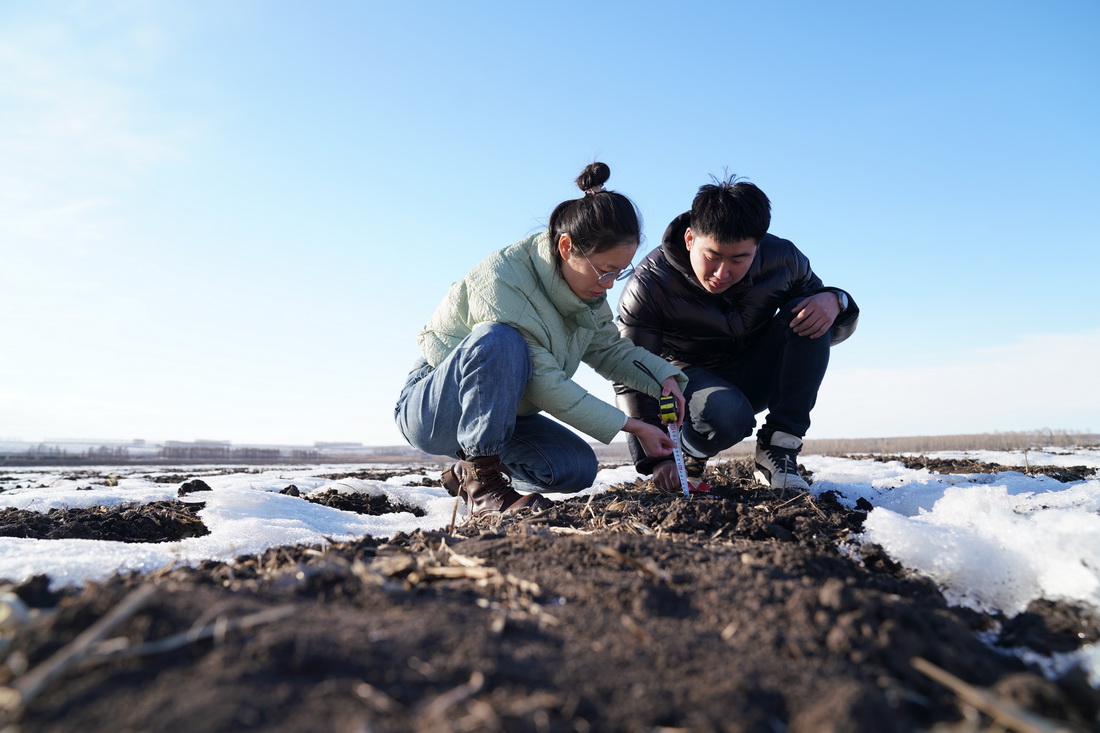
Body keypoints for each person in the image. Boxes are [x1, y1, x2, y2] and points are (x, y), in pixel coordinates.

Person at [395, 163, 688, 516]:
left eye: (620, 272)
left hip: (507, 414)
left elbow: (610, 349)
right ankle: (484, 485)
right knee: (499, 338)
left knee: (574, 468)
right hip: (437, 407)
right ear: (566, 246)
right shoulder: (504, 279)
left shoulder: (588, 294)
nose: (610, 284)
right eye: (604, 270)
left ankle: (466, 470)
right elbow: (545, 384)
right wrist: (633, 425)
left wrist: (664, 379)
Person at [614, 176, 859, 493]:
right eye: (712, 256)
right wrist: (656, 459)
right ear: (690, 238)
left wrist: (836, 300)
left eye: (738, 259)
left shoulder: (784, 260)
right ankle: (688, 454)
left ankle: (778, 451)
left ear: (757, 248)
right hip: (691, 386)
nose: (721, 273)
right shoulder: (649, 284)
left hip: (755, 371)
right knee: (728, 414)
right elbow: (632, 373)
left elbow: (825, 332)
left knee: (809, 308)